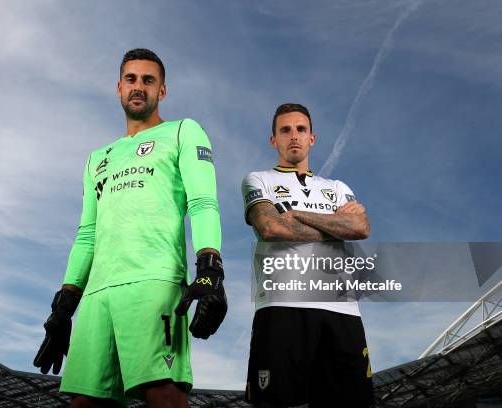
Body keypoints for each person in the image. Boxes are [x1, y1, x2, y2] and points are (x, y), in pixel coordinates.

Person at [34, 48, 227, 408]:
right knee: (85, 403)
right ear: (119, 88)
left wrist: (210, 268)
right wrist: (63, 306)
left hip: (153, 284)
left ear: (162, 91)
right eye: (131, 79)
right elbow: (87, 234)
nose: (138, 87)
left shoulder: (184, 131)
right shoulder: (97, 158)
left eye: (148, 80)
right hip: (96, 297)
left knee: (164, 395)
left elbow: (203, 202)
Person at [241, 103, 373, 408]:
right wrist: (337, 226)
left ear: (312, 138)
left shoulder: (337, 187)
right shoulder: (258, 180)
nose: (294, 136)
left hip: (342, 312)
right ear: (273, 140)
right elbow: (270, 227)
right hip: (282, 307)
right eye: (285, 130)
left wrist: (295, 214)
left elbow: (361, 226)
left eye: (301, 129)